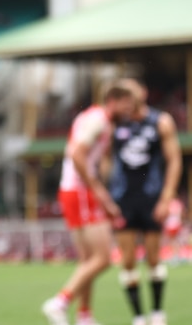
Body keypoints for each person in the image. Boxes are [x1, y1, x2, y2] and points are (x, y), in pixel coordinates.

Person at [42, 81, 136, 325]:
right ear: (114, 100)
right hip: (81, 191)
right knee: (103, 258)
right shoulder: (99, 120)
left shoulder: (92, 117)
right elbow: (77, 154)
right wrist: (100, 193)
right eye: (128, 104)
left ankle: (84, 315)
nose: (130, 110)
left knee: (88, 261)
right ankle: (60, 302)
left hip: (70, 190)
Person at [108, 79, 182, 325]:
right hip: (123, 199)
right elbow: (106, 159)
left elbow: (174, 160)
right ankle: (139, 317)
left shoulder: (160, 121)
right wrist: (107, 194)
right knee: (127, 260)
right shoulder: (115, 122)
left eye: (130, 91)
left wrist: (167, 196)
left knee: (153, 258)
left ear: (143, 93)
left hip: (152, 197)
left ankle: (158, 313)